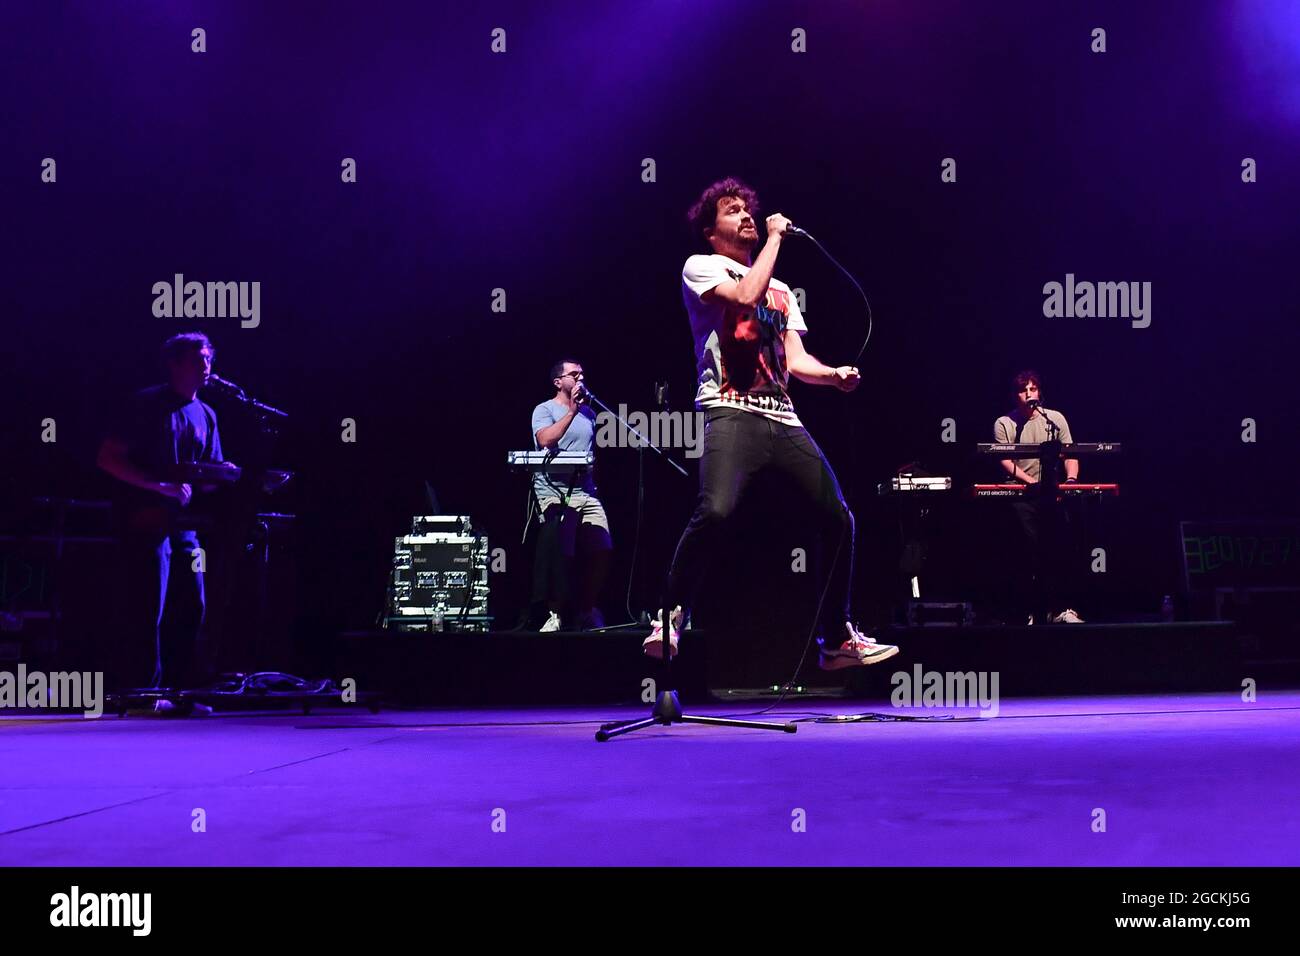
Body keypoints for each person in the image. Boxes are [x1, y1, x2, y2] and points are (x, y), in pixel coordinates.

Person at [644, 177, 898, 669]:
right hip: (729, 407)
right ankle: (669, 616)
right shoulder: (701, 267)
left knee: (839, 518)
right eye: (731, 210)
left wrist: (832, 375)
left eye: (747, 209)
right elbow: (741, 297)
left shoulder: (781, 289)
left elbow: (795, 359)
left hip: (783, 417)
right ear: (709, 229)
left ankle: (835, 639)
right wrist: (777, 237)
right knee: (716, 511)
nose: (745, 216)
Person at [97, 332, 236, 696]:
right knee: (147, 608)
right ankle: (143, 692)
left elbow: (203, 477)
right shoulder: (145, 404)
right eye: (197, 359)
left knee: (193, 603)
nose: (206, 367)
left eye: (209, 359)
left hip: (185, 528)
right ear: (174, 364)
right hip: (144, 521)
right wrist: (158, 487)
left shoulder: (207, 414)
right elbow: (108, 458)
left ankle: (188, 690)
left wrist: (228, 475)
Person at [994, 369, 1084, 624]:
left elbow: (1070, 453)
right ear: (1016, 395)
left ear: (1039, 392)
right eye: (1024, 390)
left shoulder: (1054, 419)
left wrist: (1070, 481)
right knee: (1028, 551)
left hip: (1052, 495)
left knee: (1060, 549)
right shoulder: (1005, 422)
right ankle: (1029, 611)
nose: (1029, 394)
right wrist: (1031, 482)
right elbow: (1004, 459)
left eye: (1033, 389)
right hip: (1021, 496)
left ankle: (1061, 610)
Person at [529, 359, 613, 631]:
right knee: (560, 550)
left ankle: (587, 610)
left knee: (602, 547)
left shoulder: (590, 414)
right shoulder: (544, 409)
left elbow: (590, 455)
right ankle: (555, 613)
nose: (580, 379)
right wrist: (572, 411)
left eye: (582, 375)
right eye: (574, 375)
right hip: (553, 491)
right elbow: (545, 440)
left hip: (585, 491)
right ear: (558, 382)